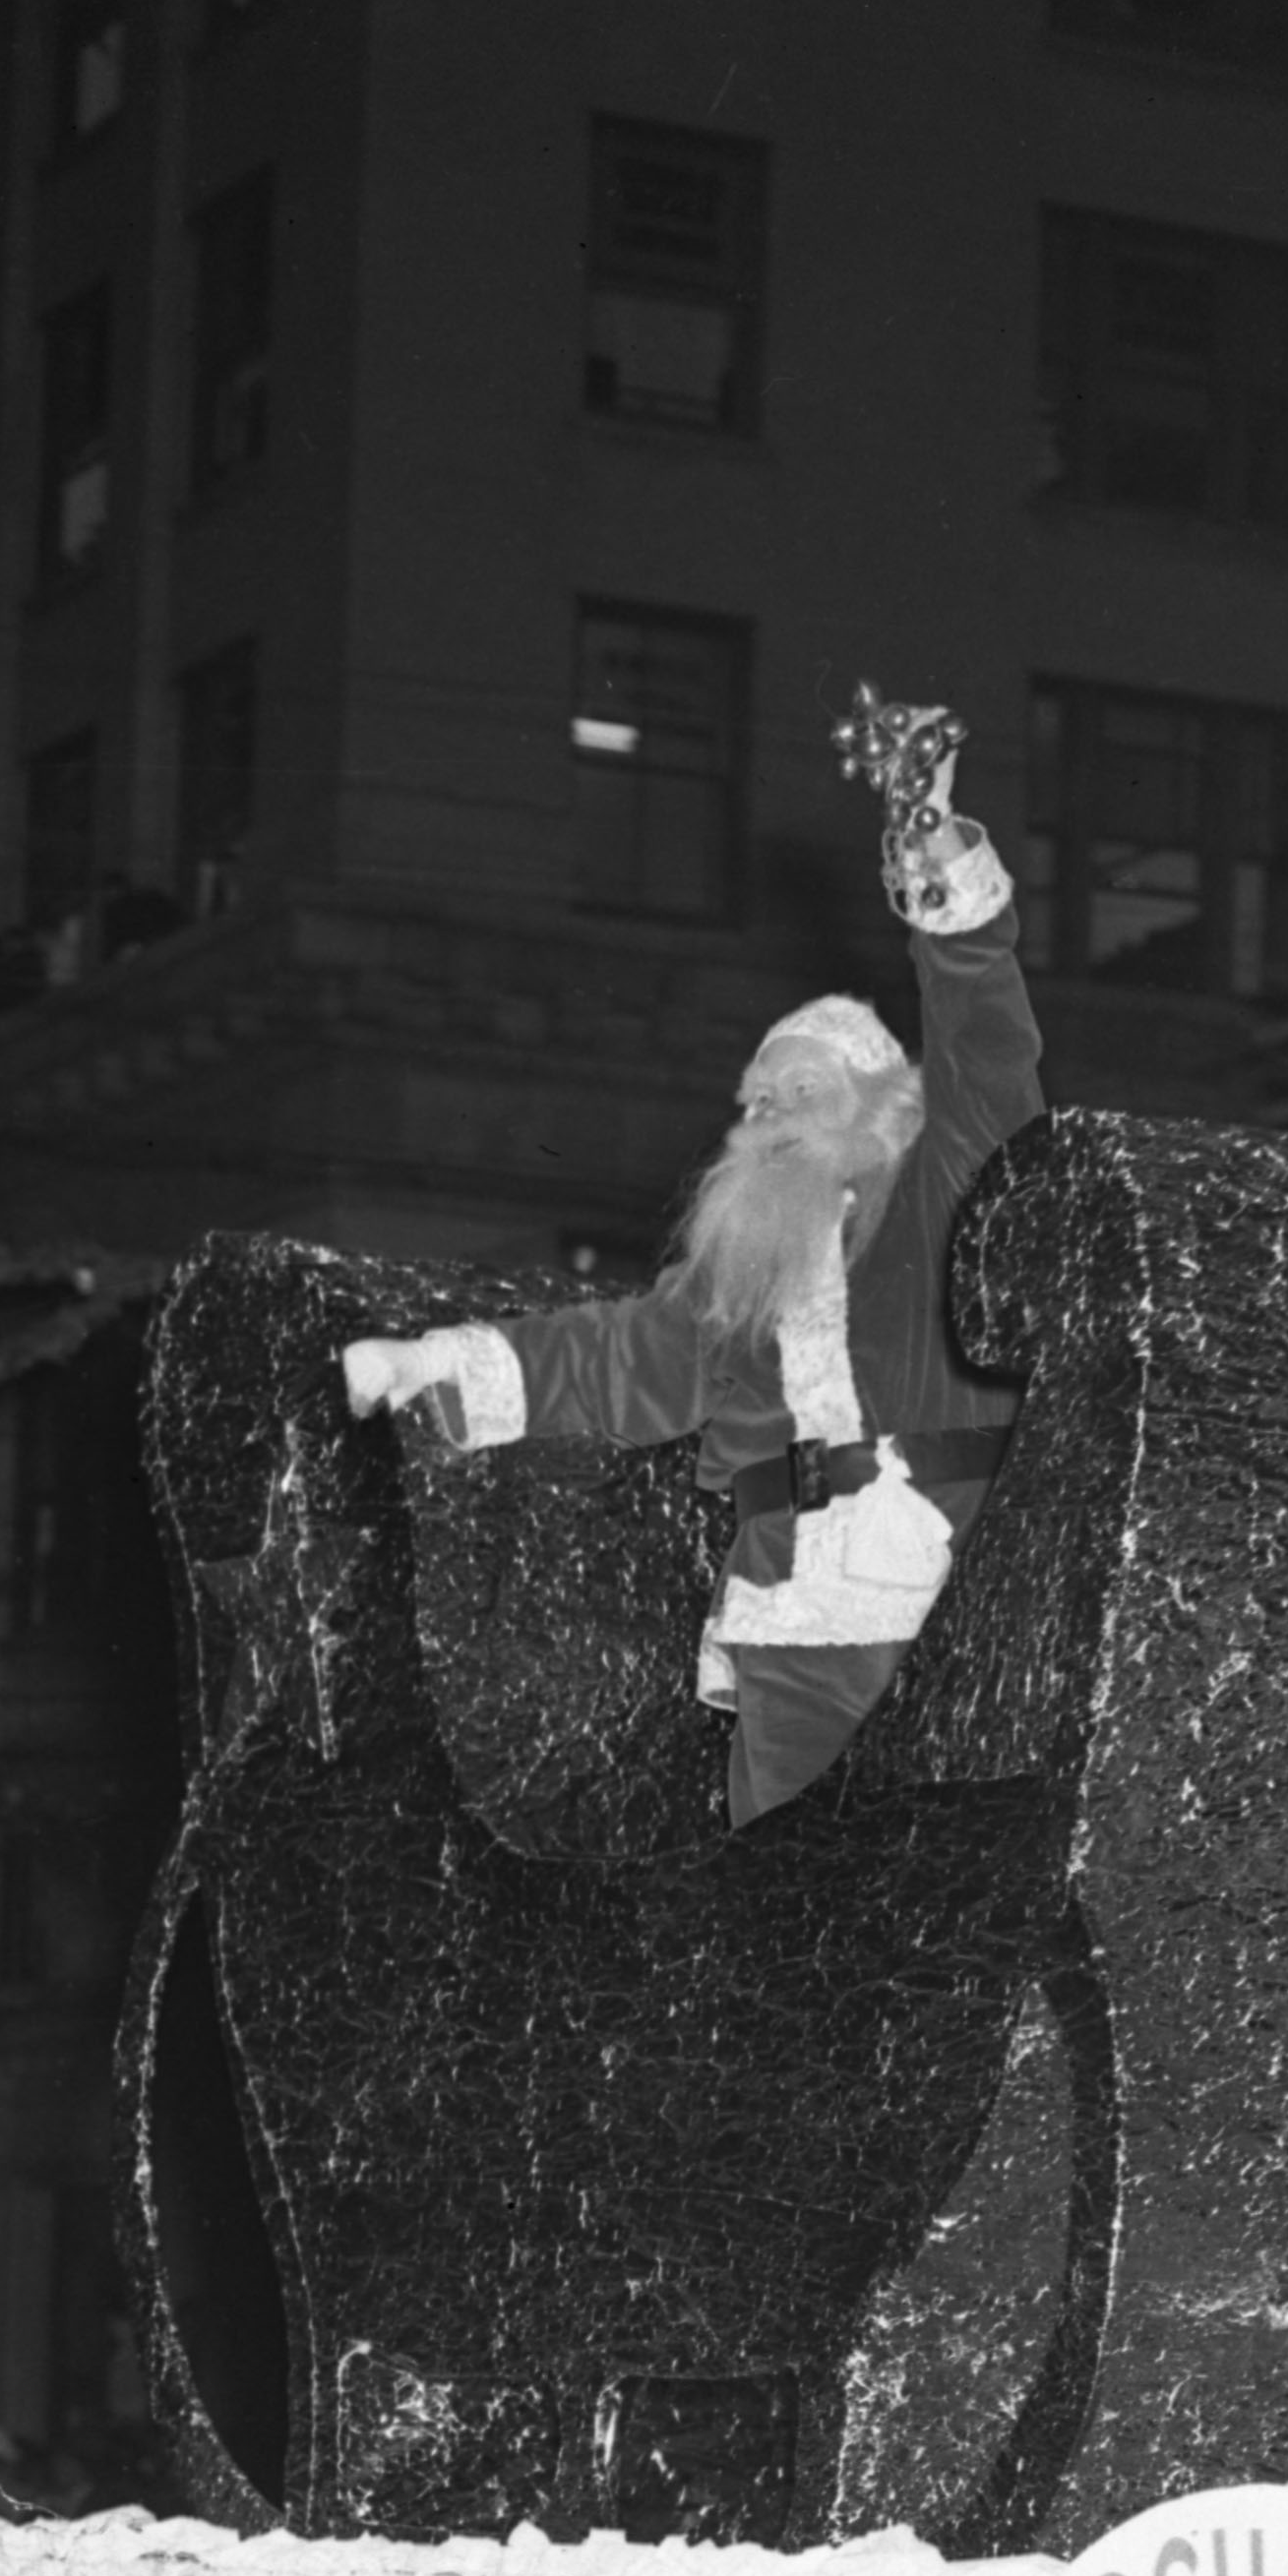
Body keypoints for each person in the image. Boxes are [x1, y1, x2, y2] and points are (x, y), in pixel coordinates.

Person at [337, 698, 1046, 1823]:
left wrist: (932, 851)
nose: (764, 1113)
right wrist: (428, 1365)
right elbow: (619, 1359)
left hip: (954, 1595)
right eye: (756, 1098)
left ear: (879, 1104)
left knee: (945, 1892)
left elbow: (987, 1043)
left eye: (796, 1090)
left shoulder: (944, 1188)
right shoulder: (742, 1271)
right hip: (788, 1614)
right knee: (783, 1909)